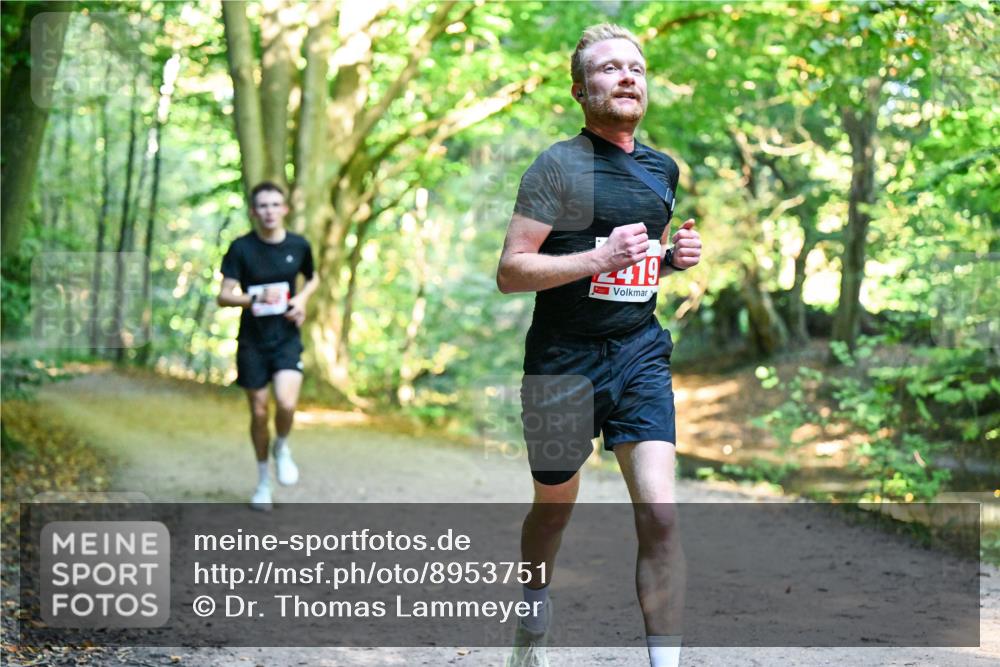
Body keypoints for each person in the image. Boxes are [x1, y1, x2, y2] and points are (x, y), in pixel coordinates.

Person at [496, 24, 702, 667]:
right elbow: (511, 271)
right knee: (553, 507)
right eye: (610, 68)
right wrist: (598, 255)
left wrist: (671, 261)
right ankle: (532, 621)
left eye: (635, 68)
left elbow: (631, 267)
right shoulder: (558, 165)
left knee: (662, 514)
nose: (627, 77)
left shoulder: (662, 169)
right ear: (582, 89)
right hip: (562, 360)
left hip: (639, 351)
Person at [217, 181, 319, 511]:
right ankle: (263, 481)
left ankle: (283, 446)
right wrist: (255, 297)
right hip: (252, 342)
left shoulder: (299, 245)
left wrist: (301, 300)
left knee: (287, 404)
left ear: (285, 209)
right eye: (262, 206)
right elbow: (224, 295)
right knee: (259, 412)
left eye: (275, 205)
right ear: (253, 211)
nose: (269, 211)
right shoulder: (240, 249)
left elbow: (313, 277)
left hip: (286, 338)